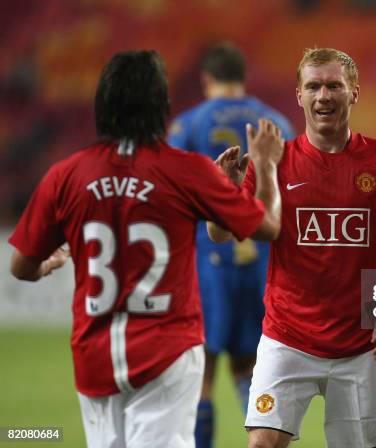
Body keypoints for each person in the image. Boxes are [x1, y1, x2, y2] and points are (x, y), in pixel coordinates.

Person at [9, 50, 284, 448]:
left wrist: (46, 265)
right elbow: (268, 226)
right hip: (166, 351)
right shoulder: (187, 169)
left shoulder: (65, 175)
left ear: (102, 104)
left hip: (94, 356)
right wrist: (266, 166)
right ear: (161, 105)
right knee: (245, 368)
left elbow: (20, 265)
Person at [209, 47, 376, 448]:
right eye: (313, 86)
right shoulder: (275, 162)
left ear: (354, 93)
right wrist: (222, 193)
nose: (323, 95)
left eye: (334, 85)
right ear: (299, 95)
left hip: (363, 343)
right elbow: (222, 234)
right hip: (287, 335)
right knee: (261, 442)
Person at [168, 42, 294, 448]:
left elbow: (171, 194)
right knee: (251, 368)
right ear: (243, 78)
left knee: (202, 369)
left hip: (208, 262)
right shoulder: (274, 122)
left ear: (206, 78)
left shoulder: (188, 125)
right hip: (261, 263)